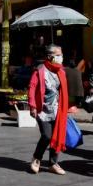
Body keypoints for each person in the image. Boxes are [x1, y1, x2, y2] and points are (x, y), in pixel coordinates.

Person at [28, 44, 69, 176]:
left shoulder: (61, 71)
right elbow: (32, 88)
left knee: (56, 137)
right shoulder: (40, 70)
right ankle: (36, 158)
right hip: (43, 110)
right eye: (58, 55)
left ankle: (53, 163)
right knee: (46, 136)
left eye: (61, 55)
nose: (60, 57)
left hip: (58, 110)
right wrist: (32, 106)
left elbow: (63, 91)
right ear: (49, 56)